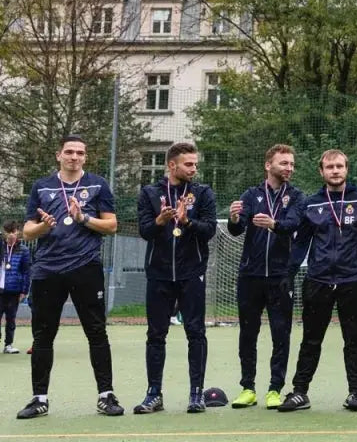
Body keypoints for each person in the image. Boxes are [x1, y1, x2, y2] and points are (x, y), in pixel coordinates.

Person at [15, 136, 123, 420]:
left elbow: (111, 225)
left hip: (86, 268)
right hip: (47, 270)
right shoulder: (42, 186)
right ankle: (39, 398)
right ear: (58, 155)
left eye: (80, 153)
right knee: (43, 336)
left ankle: (106, 395)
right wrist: (43, 226)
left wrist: (83, 219)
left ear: (85, 158)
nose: (74, 157)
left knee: (96, 332)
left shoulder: (98, 184)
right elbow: (27, 232)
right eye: (69, 152)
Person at [277, 149, 357, 412]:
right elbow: (302, 241)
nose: (335, 171)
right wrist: (289, 272)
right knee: (310, 340)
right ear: (321, 171)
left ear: (347, 169)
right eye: (330, 167)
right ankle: (300, 392)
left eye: (339, 166)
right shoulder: (312, 203)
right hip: (318, 280)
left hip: (353, 280)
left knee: (353, 340)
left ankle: (356, 393)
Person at [134, 142, 219, 415]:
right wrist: (160, 221)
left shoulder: (203, 193)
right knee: (156, 335)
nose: (194, 169)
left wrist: (186, 222)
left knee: (196, 332)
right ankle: (154, 394)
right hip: (158, 274)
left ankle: (197, 394)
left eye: (195, 164)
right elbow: (144, 231)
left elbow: (209, 231)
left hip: (191, 273)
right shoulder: (149, 193)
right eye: (188, 164)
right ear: (172, 165)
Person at [227, 144, 305, 410]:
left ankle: (274, 389)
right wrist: (234, 217)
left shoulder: (295, 196)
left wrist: (275, 225)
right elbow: (237, 230)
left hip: (281, 276)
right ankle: (248, 388)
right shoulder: (251, 194)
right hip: (250, 275)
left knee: (280, 334)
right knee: (248, 333)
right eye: (284, 163)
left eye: (291, 164)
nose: (289, 168)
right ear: (268, 165)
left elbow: (294, 224)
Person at [2, 221, 33, 354]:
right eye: (8, 232)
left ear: (18, 232)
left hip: (14, 289)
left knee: (11, 318)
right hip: (0, 288)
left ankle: (8, 344)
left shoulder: (24, 250)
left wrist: (24, 290)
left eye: (14, 232)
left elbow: (27, 272)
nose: (11, 235)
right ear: (4, 233)